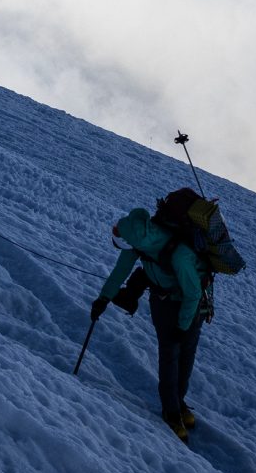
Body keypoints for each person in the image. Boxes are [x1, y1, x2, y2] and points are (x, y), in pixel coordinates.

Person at [91, 188, 236, 441]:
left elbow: (192, 293)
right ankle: (173, 408)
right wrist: (103, 298)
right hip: (166, 301)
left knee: (179, 355)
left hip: (190, 307)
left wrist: (182, 325)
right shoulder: (140, 239)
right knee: (174, 355)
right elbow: (120, 271)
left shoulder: (179, 254)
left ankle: (176, 407)